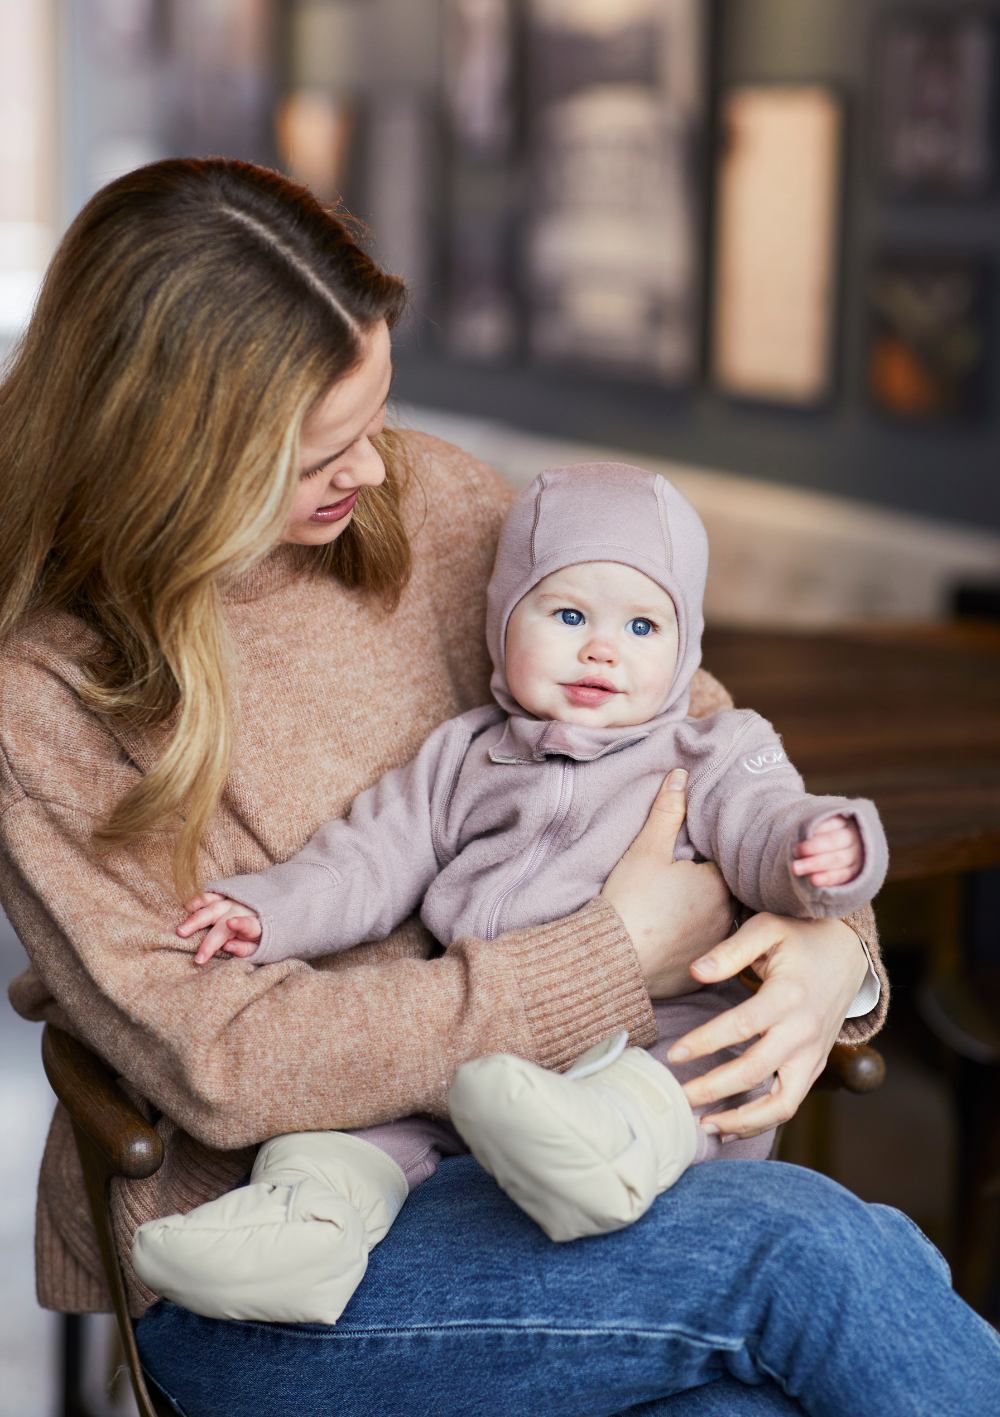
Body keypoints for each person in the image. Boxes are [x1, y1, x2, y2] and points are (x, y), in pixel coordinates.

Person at [0, 157, 996, 1417]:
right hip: (284, 1244)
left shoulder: (443, 507)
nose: (376, 469)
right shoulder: (46, 693)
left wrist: (828, 947)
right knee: (806, 1254)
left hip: (567, 1159)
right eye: (320, 450)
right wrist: (613, 947)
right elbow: (226, 1060)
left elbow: (695, 741)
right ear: (173, 451)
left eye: (377, 414)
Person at [130, 462, 890, 1326]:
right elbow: (364, 859)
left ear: (687, 647)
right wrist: (267, 909)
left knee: (696, 1065)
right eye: (569, 616)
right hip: (485, 1061)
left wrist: (820, 853)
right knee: (356, 1128)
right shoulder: (463, 756)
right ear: (502, 625)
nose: (603, 648)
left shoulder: (709, 748)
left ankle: (607, 1153)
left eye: (643, 624)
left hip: (656, 1032)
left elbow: (766, 824)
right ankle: (307, 1228)